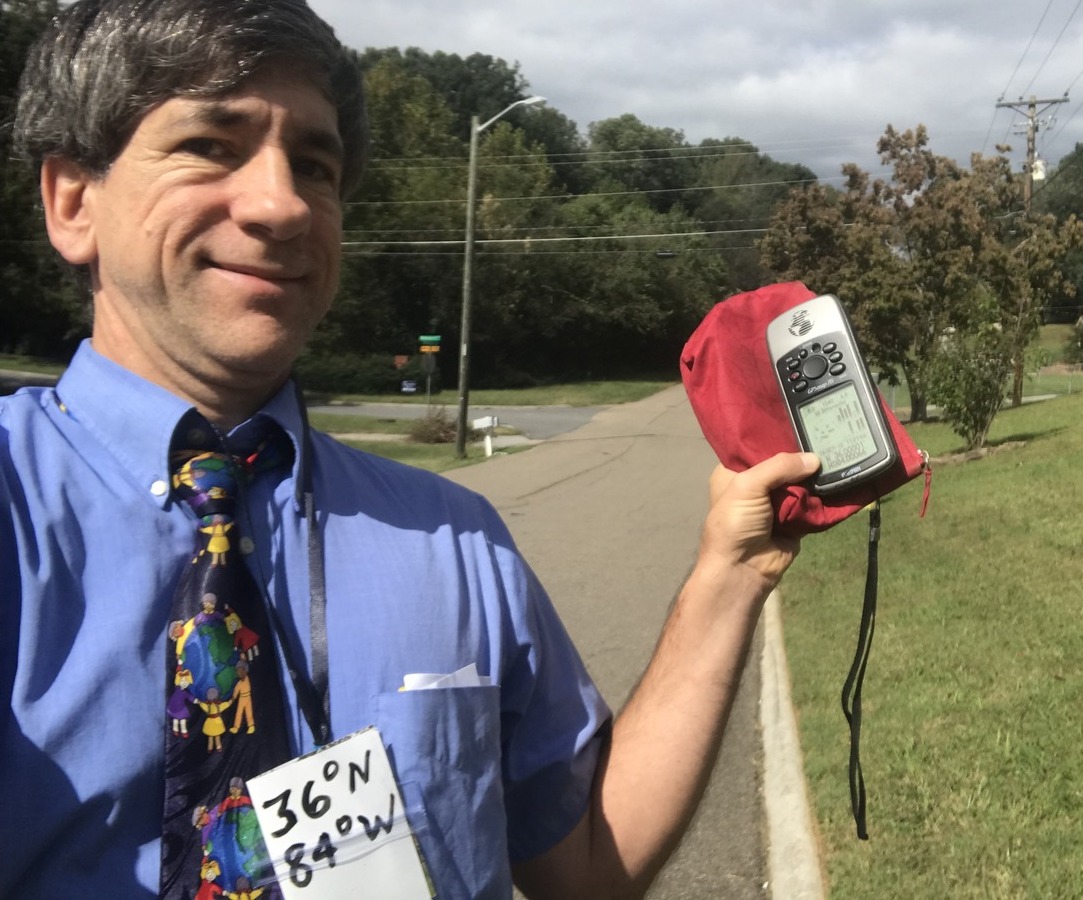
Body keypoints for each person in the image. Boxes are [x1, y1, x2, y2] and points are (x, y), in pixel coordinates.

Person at [0, 1, 819, 898]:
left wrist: (729, 577)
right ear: (72, 202)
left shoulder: (456, 538)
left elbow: (584, 868)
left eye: (315, 165)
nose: (281, 204)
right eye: (212, 144)